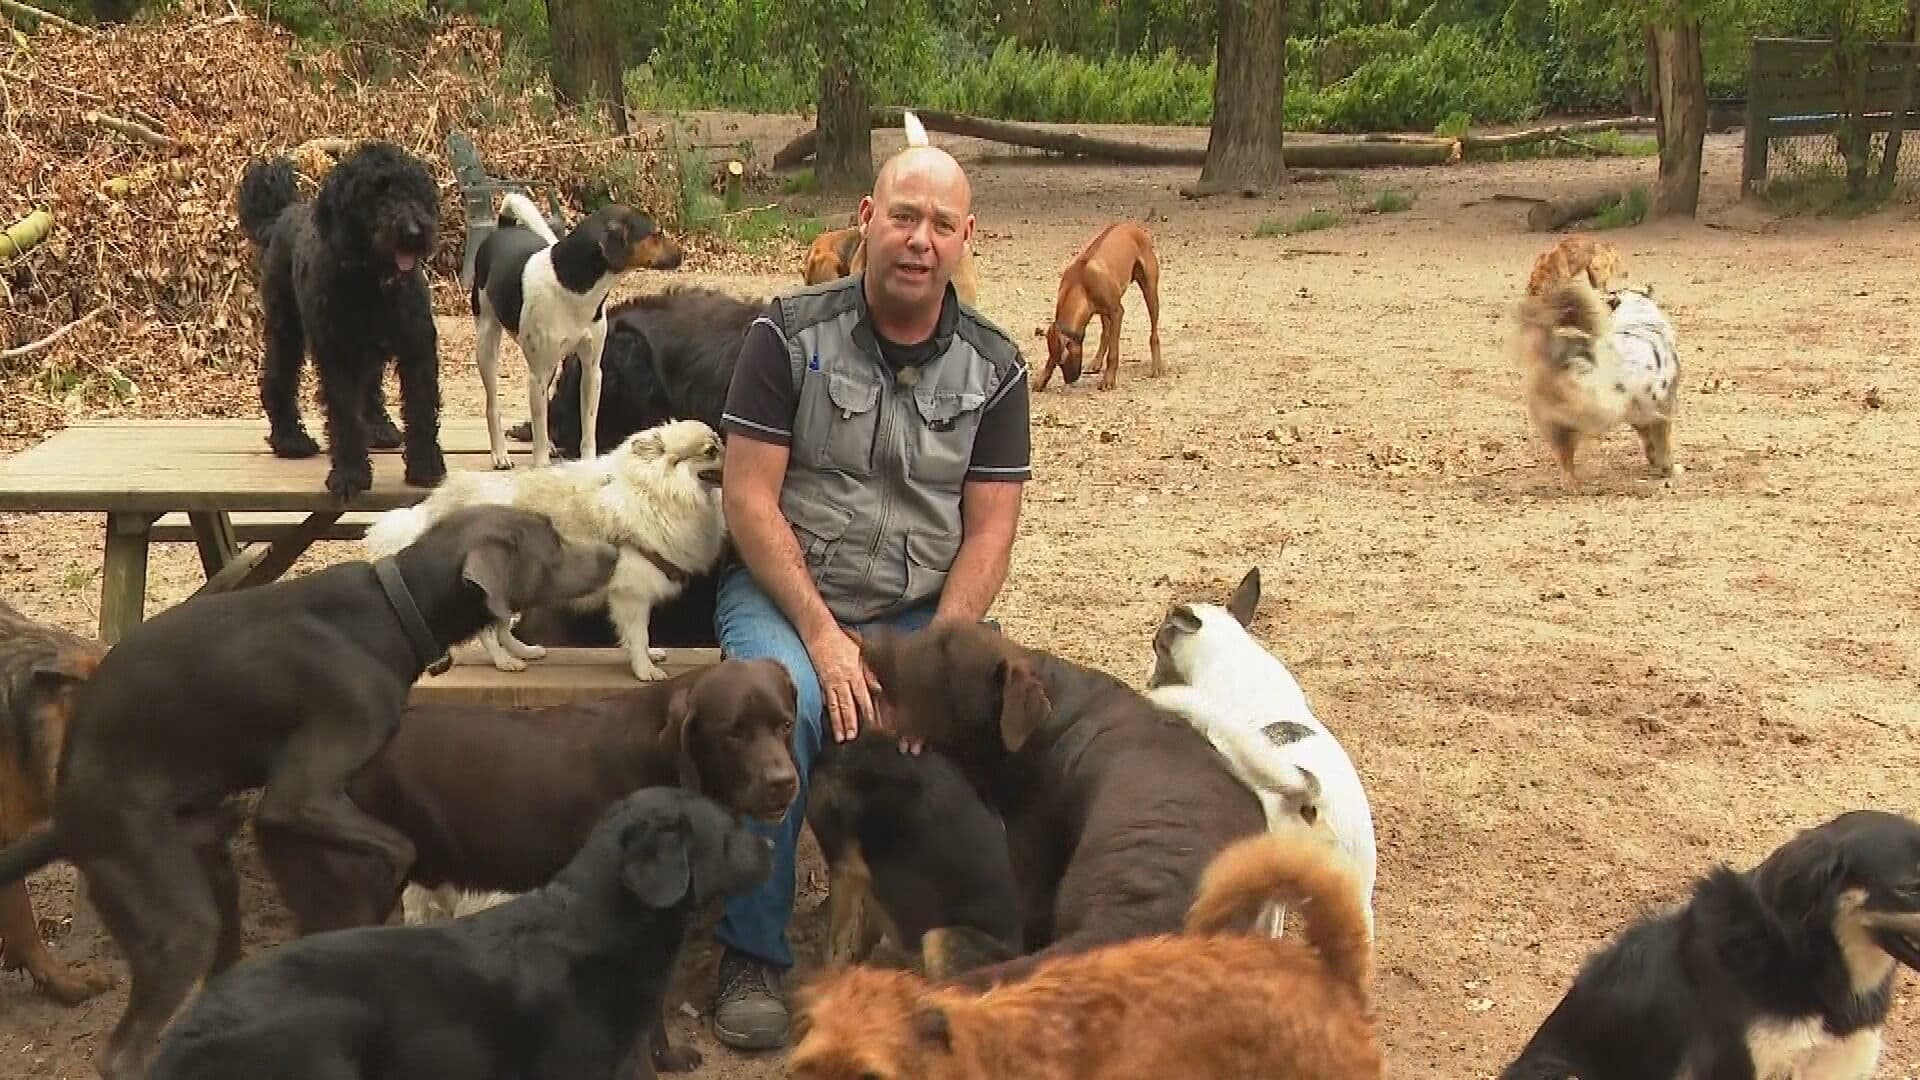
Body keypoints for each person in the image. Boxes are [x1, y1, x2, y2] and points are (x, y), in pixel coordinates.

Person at [709, 140, 1031, 1049]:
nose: (918, 239)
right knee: (787, 707)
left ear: (967, 238)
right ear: (865, 219)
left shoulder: (997, 369)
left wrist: (939, 659)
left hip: (926, 610)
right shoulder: (785, 335)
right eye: (902, 216)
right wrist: (819, 633)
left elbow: (991, 531)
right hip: (790, 592)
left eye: (939, 224)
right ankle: (753, 949)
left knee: (995, 715)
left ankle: (962, 929)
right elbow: (747, 500)